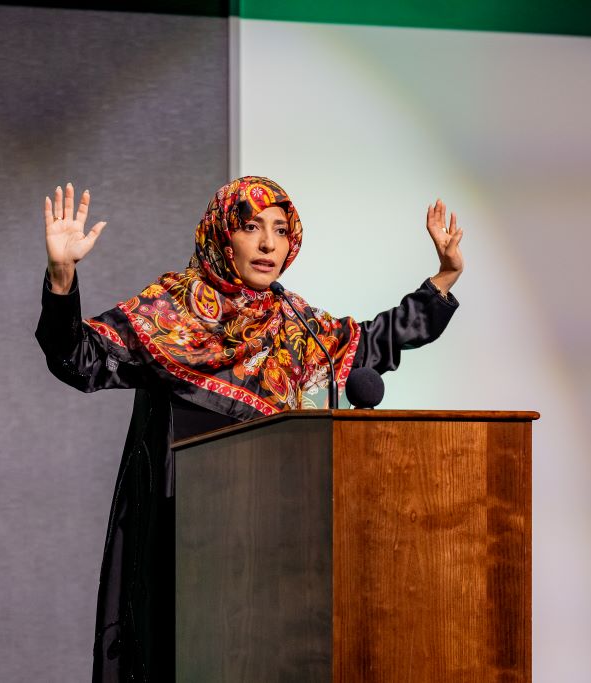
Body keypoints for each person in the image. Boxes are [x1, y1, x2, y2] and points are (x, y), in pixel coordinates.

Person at [36, 176, 463, 682]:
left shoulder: (295, 326)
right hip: (182, 544)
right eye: (252, 226)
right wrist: (62, 280)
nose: (268, 244)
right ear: (222, 235)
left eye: (281, 230)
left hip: (271, 547)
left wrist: (444, 278)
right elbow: (78, 358)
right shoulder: (169, 312)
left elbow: (372, 342)